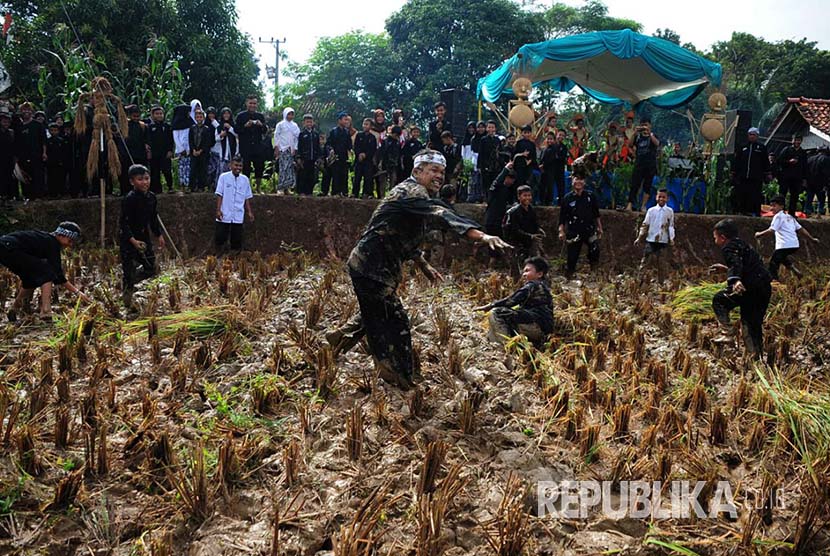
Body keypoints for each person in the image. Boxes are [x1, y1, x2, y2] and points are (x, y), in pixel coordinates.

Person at [325, 149, 510, 389]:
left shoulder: (416, 196)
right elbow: (443, 215)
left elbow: (404, 236)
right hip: (371, 267)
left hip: (376, 267)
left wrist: (424, 265)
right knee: (395, 321)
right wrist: (482, 236)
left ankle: (336, 341)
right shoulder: (411, 192)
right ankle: (398, 373)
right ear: (417, 171)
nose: (439, 176)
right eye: (433, 170)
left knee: (375, 312)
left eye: (442, 172)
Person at [0, 221, 89, 321]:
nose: (70, 245)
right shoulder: (52, 243)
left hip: (5, 248)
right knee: (47, 272)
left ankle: (14, 309)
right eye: (70, 241)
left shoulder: (46, 240)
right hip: (9, 247)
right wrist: (77, 292)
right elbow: (58, 275)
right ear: (62, 235)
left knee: (30, 281)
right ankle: (46, 311)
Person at [709, 219, 772, 357]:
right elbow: (746, 267)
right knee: (752, 325)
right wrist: (726, 270)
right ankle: (757, 357)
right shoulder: (743, 245)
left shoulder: (729, 247)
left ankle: (727, 332)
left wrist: (736, 280)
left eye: (715, 238)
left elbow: (735, 264)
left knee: (719, 300)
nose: (715, 241)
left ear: (722, 237)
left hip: (749, 289)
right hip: (763, 289)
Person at [474, 256, 553, 346]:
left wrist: (490, 306)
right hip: (544, 330)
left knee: (496, 313)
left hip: (536, 326)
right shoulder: (544, 288)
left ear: (539, 274)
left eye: (527, 271)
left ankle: (504, 346)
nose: (524, 274)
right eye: (524, 271)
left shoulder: (533, 285)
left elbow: (511, 301)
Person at [119, 164, 166, 308]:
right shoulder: (129, 199)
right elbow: (123, 223)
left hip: (144, 236)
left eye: (147, 178)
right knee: (128, 268)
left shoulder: (151, 197)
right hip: (128, 238)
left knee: (151, 267)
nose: (145, 182)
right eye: (140, 179)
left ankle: (132, 279)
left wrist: (159, 235)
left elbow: (153, 218)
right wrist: (133, 240)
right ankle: (127, 299)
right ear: (132, 181)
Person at [754, 195, 819, 280]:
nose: (771, 208)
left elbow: (772, 230)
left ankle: (774, 281)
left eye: (774, 205)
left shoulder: (778, 216)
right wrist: (812, 239)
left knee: (773, 264)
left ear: (781, 206)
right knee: (782, 258)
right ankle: (796, 271)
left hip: (784, 245)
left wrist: (759, 234)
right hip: (794, 245)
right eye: (771, 205)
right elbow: (801, 229)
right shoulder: (790, 217)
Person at [559, 169, 602, 279]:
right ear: (572, 181)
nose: (579, 182)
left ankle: (594, 273)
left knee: (595, 250)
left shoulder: (590, 196)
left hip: (589, 229)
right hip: (574, 231)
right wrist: (561, 231)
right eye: (576, 179)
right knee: (572, 255)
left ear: (585, 182)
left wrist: (599, 228)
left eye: (581, 179)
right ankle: (569, 275)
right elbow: (562, 217)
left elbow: (596, 214)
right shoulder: (567, 198)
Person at [634, 188, 675, 283]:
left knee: (662, 264)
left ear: (667, 199)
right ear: (656, 197)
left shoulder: (669, 212)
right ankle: (638, 282)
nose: (661, 199)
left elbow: (671, 226)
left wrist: (671, 239)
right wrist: (639, 237)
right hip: (651, 240)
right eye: (659, 196)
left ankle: (661, 283)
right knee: (645, 262)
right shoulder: (651, 211)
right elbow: (645, 224)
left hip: (663, 241)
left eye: (663, 197)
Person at [215, 156, 254, 252]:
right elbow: (220, 194)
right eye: (236, 165)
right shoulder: (223, 177)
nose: (238, 168)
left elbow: (247, 197)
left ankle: (234, 258)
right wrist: (218, 210)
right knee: (221, 236)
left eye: (240, 166)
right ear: (230, 165)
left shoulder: (245, 180)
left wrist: (249, 212)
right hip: (225, 212)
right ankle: (220, 256)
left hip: (238, 213)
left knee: (236, 238)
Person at [502, 185, 545, 268]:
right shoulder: (513, 212)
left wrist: (538, 230)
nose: (527, 198)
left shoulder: (531, 210)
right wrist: (531, 236)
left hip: (528, 242)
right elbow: (514, 230)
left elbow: (535, 224)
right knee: (516, 267)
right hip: (515, 243)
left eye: (529, 195)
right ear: (519, 197)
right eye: (525, 195)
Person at [732, 127, 771, 216]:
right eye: (750, 134)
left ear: (757, 136)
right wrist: (733, 172)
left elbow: (765, 162)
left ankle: (756, 212)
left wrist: (768, 173)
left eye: (754, 135)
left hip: (756, 177)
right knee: (743, 194)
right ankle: (743, 211)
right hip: (743, 176)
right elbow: (737, 160)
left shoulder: (761, 148)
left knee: (756, 195)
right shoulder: (743, 147)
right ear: (748, 136)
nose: (752, 136)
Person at [484, 161, 518, 262]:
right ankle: (492, 266)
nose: (512, 182)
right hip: (492, 220)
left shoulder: (506, 190)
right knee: (494, 248)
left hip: (500, 220)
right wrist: (506, 168)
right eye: (511, 179)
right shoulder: (496, 188)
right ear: (507, 178)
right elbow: (497, 181)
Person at [625, 118, 659, 212]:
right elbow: (630, 144)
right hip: (639, 163)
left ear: (650, 125)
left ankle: (643, 206)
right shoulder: (638, 137)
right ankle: (630, 205)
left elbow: (657, 143)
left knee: (647, 186)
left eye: (646, 125)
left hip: (650, 165)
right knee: (634, 184)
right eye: (643, 125)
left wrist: (649, 133)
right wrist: (634, 133)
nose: (644, 127)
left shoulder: (653, 135)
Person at [235, 95, 268, 193]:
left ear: (257, 104)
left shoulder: (260, 116)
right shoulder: (241, 116)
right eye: (250, 103)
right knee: (246, 168)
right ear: (246, 104)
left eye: (254, 103)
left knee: (259, 167)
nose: (252, 105)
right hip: (245, 147)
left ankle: (258, 188)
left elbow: (265, 130)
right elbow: (236, 129)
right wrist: (245, 126)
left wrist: (261, 125)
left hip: (258, 147)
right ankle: (246, 189)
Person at [14, 102, 46, 200]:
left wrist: (44, 153)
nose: (26, 111)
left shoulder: (38, 125)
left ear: (32, 112)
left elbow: (43, 140)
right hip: (23, 156)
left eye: (28, 109)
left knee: (38, 175)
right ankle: (28, 196)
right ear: (21, 112)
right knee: (26, 176)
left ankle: (39, 196)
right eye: (24, 109)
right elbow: (16, 143)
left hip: (37, 154)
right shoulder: (18, 127)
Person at [119, 105, 148, 195]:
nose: (136, 118)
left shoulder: (143, 126)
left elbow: (146, 139)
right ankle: (125, 190)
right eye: (134, 116)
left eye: (137, 116)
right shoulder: (125, 125)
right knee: (126, 173)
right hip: (127, 153)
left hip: (140, 154)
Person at [777, 134, 809, 216]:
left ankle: (792, 213)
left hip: (797, 177)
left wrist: (804, 179)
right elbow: (779, 161)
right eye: (795, 140)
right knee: (782, 194)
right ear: (792, 140)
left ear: (801, 141)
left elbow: (805, 166)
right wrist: (789, 161)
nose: (797, 142)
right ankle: (781, 211)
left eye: (799, 140)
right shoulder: (786, 150)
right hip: (785, 176)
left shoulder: (803, 153)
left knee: (794, 195)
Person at [147, 105, 175, 194]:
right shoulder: (149, 127)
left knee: (167, 171)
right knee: (155, 172)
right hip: (154, 154)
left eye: (161, 113)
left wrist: (170, 150)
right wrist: (149, 151)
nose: (159, 115)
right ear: (152, 115)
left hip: (165, 153)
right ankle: (157, 190)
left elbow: (171, 140)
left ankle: (170, 187)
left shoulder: (167, 126)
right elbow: (147, 140)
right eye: (157, 114)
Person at [274, 107, 300, 194]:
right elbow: (276, 136)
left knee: (290, 169)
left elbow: (297, 138)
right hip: (282, 149)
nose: (290, 116)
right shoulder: (280, 125)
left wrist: (295, 148)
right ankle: (280, 188)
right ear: (285, 114)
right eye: (289, 114)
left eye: (292, 114)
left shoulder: (295, 125)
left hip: (291, 150)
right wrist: (277, 147)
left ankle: (287, 188)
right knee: (283, 168)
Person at [188, 109, 215, 192]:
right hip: (194, 152)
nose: (199, 118)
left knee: (202, 170)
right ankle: (192, 187)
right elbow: (190, 140)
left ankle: (201, 187)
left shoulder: (206, 129)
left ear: (203, 118)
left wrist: (201, 150)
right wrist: (193, 149)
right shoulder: (192, 128)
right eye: (197, 117)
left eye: (201, 117)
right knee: (193, 169)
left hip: (203, 153)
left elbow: (207, 141)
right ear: (195, 118)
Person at [539, 130, 568, 206]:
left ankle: (560, 202)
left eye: (563, 135)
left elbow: (560, 158)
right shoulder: (546, 148)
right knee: (547, 186)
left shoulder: (563, 148)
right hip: (548, 170)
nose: (561, 137)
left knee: (560, 186)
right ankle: (546, 201)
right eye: (559, 135)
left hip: (559, 170)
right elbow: (543, 159)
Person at [327, 111, 352, 197]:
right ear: (339, 120)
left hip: (344, 157)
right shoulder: (333, 132)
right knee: (336, 175)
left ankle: (344, 192)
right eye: (345, 120)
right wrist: (331, 151)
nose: (346, 122)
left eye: (347, 120)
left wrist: (350, 151)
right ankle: (335, 192)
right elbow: (329, 144)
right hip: (335, 157)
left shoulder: (347, 132)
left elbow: (349, 144)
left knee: (344, 175)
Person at [295, 114, 321, 196]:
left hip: (313, 158)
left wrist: (319, 157)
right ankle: (301, 191)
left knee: (311, 176)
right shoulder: (302, 134)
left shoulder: (316, 134)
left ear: (313, 123)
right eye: (307, 122)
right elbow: (299, 147)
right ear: (304, 123)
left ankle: (309, 191)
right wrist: (298, 157)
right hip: (304, 159)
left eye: (310, 122)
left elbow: (318, 147)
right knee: (303, 175)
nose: (309, 124)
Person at [171, 102, 194, 191]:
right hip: (180, 151)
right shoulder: (176, 125)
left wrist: (188, 150)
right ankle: (182, 186)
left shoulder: (190, 122)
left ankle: (188, 185)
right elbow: (176, 139)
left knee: (188, 169)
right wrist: (182, 149)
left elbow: (190, 138)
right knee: (181, 169)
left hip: (189, 150)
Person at [376, 125, 403, 199]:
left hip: (394, 164)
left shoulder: (397, 142)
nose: (396, 136)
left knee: (393, 180)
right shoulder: (385, 141)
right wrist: (380, 163)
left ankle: (391, 196)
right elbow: (381, 153)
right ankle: (382, 196)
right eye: (395, 135)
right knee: (383, 181)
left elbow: (399, 153)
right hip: (385, 163)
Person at [353, 118, 377, 198]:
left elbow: (373, 149)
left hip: (368, 161)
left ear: (371, 126)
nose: (365, 126)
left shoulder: (372, 137)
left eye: (367, 124)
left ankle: (366, 193)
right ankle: (354, 193)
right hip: (358, 161)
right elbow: (355, 146)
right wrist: (359, 154)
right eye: (364, 124)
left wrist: (365, 155)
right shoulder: (359, 135)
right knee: (357, 178)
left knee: (368, 178)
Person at [477, 121, 501, 196]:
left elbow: (500, 152)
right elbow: (480, 153)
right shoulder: (483, 139)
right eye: (489, 127)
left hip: (495, 165)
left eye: (492, 127)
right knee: (486, 183)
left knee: (494, 182)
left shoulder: (497, 140)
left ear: (495, 129)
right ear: (487, 129)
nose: (491, 129)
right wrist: (479, 166)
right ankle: (485, 197)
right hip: (485, 164)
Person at [805, 147, 830, 217]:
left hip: (810, 182)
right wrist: (826, 183)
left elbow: (806, 171)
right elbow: (827, 173)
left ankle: (807, 212)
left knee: (809, 197)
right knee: (821, 198)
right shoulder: (826, 159)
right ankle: (820, 212)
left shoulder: (810, 159)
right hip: (820, 182)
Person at [216, 107, 239, 178]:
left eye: (228, 114)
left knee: (233, 171)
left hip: (233, 152)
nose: (226, 115)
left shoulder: (234, 125)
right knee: (222, 173)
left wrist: (230, 128)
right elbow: (216, 138)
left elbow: (237, 135)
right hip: (223, 153)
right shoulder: (219, 126)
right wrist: (221, 135)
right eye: (224, 114)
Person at [45, 122, 67, 198]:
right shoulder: (47, 141)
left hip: (60, 163)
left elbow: (64, 152)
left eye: (55, 130)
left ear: (58, 131)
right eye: (52, 130)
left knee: (60, 178)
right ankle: (52, 194)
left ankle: (60, 193)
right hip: (50, 163)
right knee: (51, 179)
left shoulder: (61, 140)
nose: (54, 132)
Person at [0, 108, 16, 202]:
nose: (6, 124)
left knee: (9, 176)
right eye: (4, 122)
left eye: (7, 122)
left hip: (9, 158)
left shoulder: (11, 132)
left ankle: (9, 196)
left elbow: (14, 145)